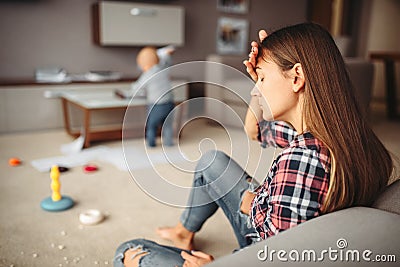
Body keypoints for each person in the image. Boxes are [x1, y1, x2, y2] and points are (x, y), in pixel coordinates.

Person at [113, 23, 394, 267]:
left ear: (296, 77)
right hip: (270, 217)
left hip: (257, 248)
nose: (253, 89)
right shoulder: (342, 136)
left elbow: (276, 257)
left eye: (261, 78)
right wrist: (258, 201)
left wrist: (221, 263)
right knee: (213, 161)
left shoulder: (301, 160)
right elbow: (253, 130)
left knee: (128, 251)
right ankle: (184, 232)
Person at [116, 45, 176, 147]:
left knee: (151, 125)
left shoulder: (147, 75)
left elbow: (136, 89)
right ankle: (168, 143)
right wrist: (167, 54)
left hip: (156, 105)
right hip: (170, 103)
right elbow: (167, 60)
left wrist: (125, 94)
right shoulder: (163, 69)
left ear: (144, 64)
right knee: (167, 125)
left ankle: (151, 144)